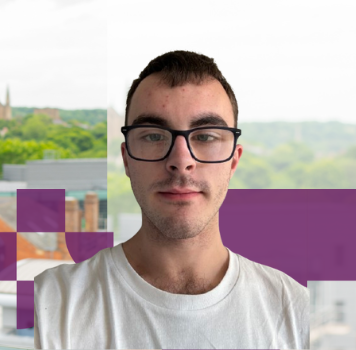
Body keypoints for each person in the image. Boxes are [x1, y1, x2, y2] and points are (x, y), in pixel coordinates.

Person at [34, 51, 308, 349]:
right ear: (126, 160)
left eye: (205, 137)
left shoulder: (295, 311)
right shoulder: (50, 304)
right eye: (153, 136)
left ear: (233, 161)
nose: (181, 160)